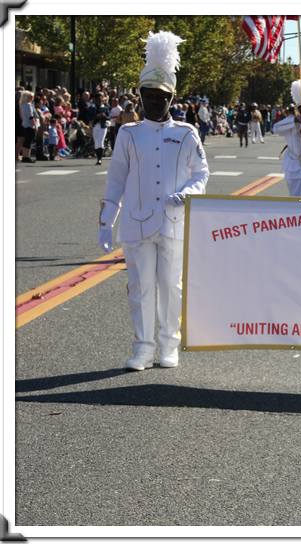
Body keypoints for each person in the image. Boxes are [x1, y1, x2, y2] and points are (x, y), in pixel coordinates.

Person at [98, 31, 208, 371]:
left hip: (173, 221)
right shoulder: (128, 134)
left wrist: (187, 193)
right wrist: (106, 220)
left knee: (170, 287)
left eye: (160, 97)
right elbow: (116, 178)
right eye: (148, 96)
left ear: (171, 98)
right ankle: (143, 347)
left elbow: (201, 173)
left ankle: (167, 345)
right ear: (140, 97)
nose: (154, 102)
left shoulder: (186, 133)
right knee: (140, 287)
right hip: (137, 220)